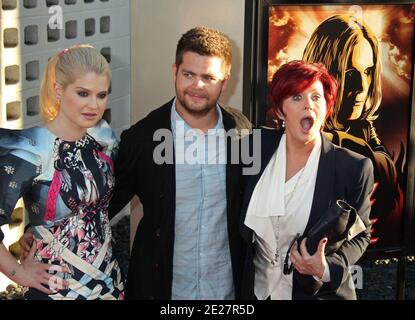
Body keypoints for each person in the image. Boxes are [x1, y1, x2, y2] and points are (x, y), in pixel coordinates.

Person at [107, 26, 245, 299]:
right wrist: (43, 232)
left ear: (225, 81)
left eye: (209, 77)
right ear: (175, 71)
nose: (197, 85)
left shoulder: (243, 133)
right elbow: (103, 203)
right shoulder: (142, 138)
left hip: (225, 291)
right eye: (189, 74)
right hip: (163, 290)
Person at [240, 60, 374, 299]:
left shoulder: (353, 168)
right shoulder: (254, 148)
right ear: (280, 111)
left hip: (317, 294)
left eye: (316, 97)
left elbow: (361, 234)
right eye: (296, 98)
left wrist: (326, 267)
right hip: (256, 292)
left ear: (327, 107)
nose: (308, 106)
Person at [0, 45, 124, 300]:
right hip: (55, 290)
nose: (94, 104)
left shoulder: (103, 136)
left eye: (101, 95)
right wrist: (19, 273)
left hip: (108, 284)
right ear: (58, 90)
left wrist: (38, 230)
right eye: (82, 93)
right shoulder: (33, 148)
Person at [302, 14, 404, 247]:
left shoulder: (367, 135)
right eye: (349, 74)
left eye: (367, 71)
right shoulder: (302, 134)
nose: (362, 87)